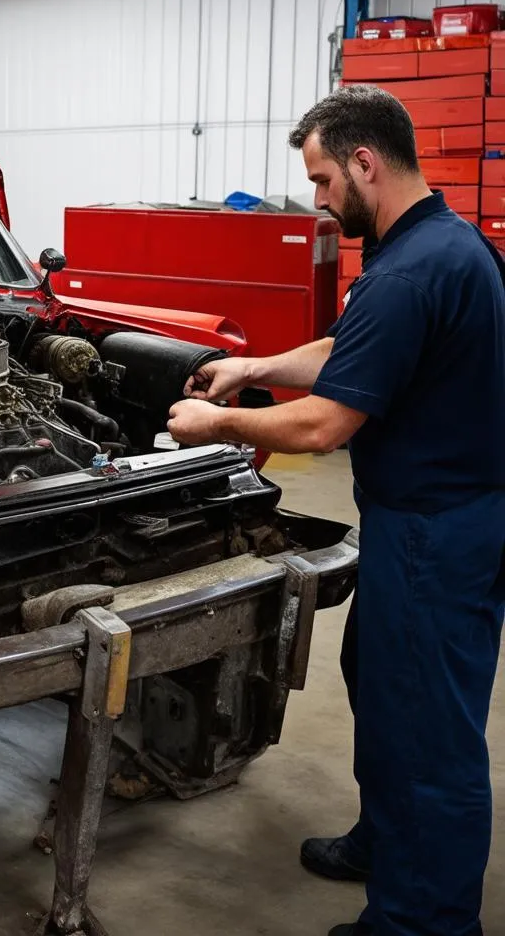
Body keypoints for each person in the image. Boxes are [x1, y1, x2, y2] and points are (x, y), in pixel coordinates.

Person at [167, 84, 505, 936]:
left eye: (322, 181)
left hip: (439, 528)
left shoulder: (419, 264)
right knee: (382, 684)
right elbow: (351, 351)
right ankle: (390, 844)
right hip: (428, 520)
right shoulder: (434, 243)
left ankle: (424, 918)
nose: (318, 202)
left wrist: (219, 420)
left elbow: (324, 426)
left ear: (365, 161)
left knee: (430, 728)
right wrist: (254, 369)